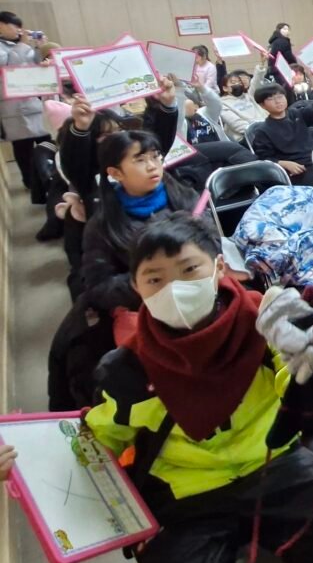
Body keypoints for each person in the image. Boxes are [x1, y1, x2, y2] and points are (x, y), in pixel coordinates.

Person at [83, 212, 313, 563]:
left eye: (189, 270)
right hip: (187, 491)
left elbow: (301, 381)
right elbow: (100, 442)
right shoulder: (127, 369)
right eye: (155, 279)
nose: (174, 289)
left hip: (273, 464)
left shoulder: (264, 321)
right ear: (135, 286)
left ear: (219, 267)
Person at [48, 125, 203, 411]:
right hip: (144, 310)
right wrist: (148, 281)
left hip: (198, 297)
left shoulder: (186, 199)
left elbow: (212, 245)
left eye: (155, 157)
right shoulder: (103, 224)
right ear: (115, 173)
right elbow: (98, 287)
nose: (152, 166)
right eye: (140, 160)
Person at [0, 10, 49, 187]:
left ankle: (51, 177)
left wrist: (39, 49)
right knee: (23, 146)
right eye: (15, 26)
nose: (19, 30)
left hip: (33, 100)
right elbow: (8, 67)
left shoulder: (22, 44)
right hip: (12, 106)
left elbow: (33, 65)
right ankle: (31, 183)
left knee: (46, 140)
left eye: (20, 26)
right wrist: (22, 45)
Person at [252, 73, 313, 187]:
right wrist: (283, 163)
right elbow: (264, 158)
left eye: (280, 97)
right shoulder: (263, 130)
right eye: (271, 99)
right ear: (262, 105)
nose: (278, 101)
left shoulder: (297, 114)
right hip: (297, 169)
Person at [220, 65, 269, 143]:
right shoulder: (222, 104)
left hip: (266, 128)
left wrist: (261, 66)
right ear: (225, 88)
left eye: (239, 82)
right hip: (247, 136)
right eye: (233, 82)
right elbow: (237, 124)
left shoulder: (249, 95)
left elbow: (257, 81)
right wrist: (260, 130)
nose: (238, 84)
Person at [267, 22, 298, 87]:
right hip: (282, 69)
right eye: (284, 29)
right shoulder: (283, 41)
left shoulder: (274, 41)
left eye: (288, 29)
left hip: (274, 69)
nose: (287, 31)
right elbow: (288, 56)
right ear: (279, 30)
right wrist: (295, 63)